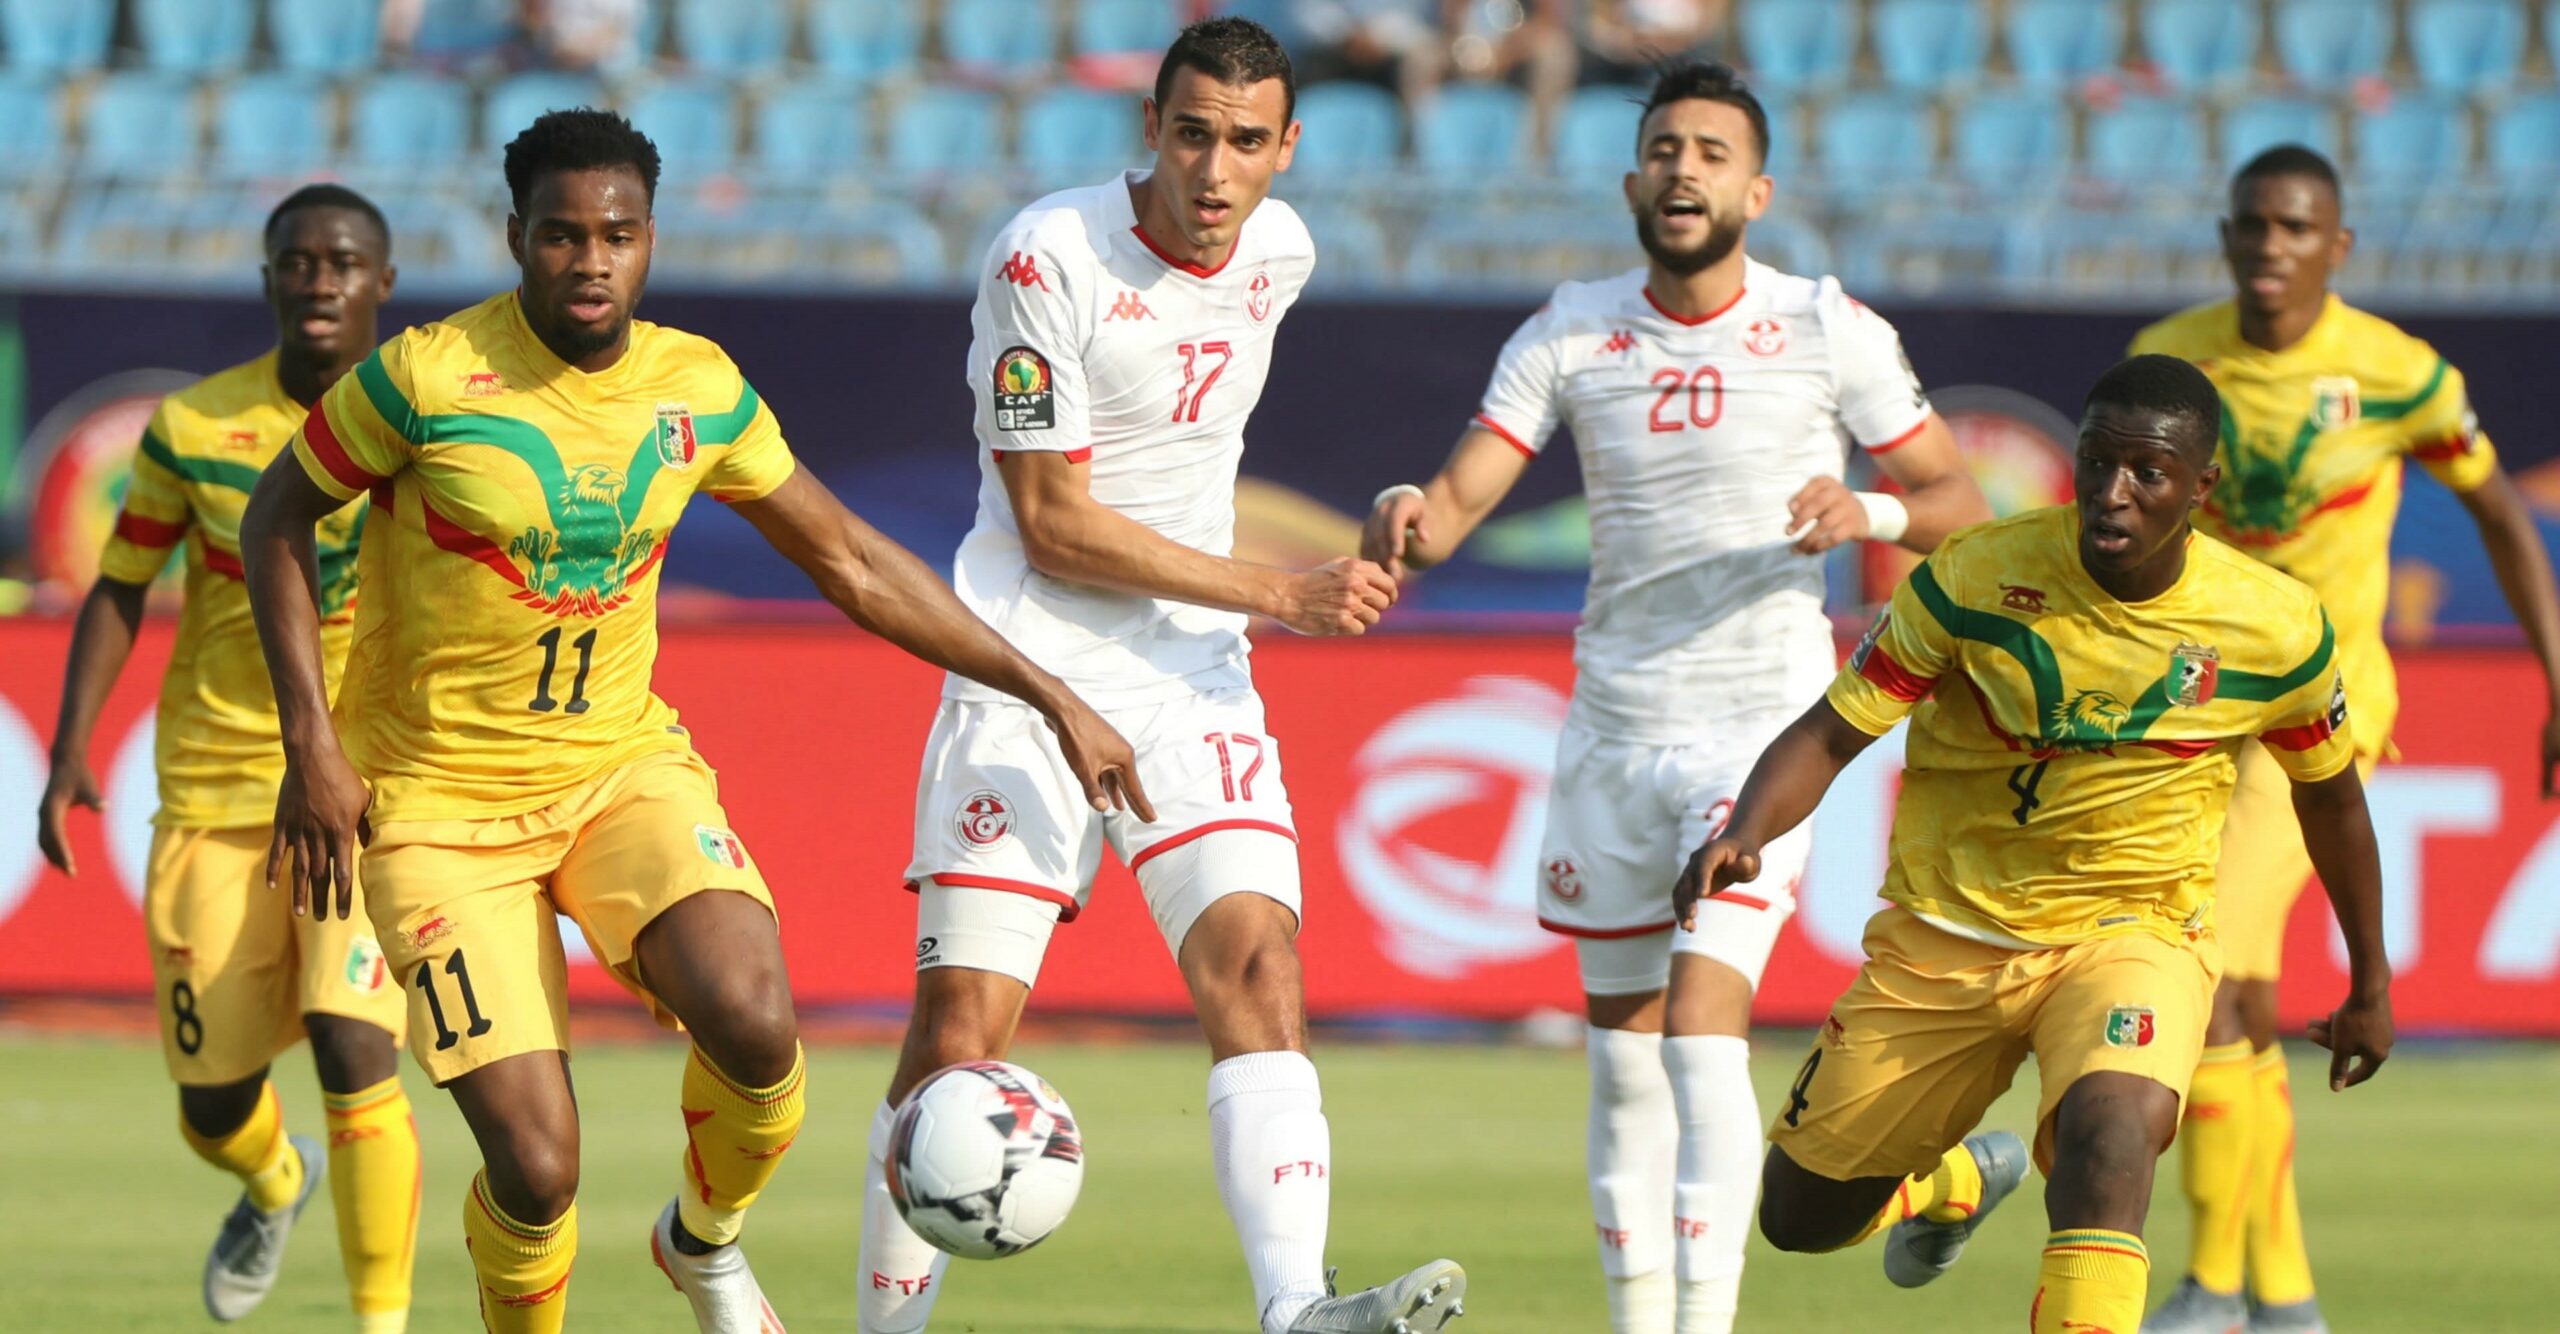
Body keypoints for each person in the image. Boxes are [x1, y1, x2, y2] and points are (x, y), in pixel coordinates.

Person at [238, 109, 1143, 1334]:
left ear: (651, 238)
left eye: (616, 234)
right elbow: (274, 518)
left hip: (619, 772)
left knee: (758, 1025)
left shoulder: (697, 386)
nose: (590, 260)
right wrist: (312, 744)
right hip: (437, 809)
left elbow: (851, 560)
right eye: (561, 235)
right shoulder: (425, 377)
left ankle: (703, 1239)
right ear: (516, 238)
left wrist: (1051, 691)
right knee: (537, 1166)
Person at [1361, 59, 1987, 1334]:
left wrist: (1865, 511)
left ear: (1756, 191)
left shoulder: (1823, 325)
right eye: (1663, 150)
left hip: (1760, 729)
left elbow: (1961, 503)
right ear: (1630, 181)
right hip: (1612, 729)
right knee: (1622, 1056)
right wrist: (1401, 513)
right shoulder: (1569, 330)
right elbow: (1454, 505)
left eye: (1710, 152)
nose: (1683, 169)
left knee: (1703, 1018)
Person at [858, 19, 1465, 1334]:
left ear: (1287, 147)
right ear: (1151, 129)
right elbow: (1051, 523)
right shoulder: (1047, 256)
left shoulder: (1282, 252)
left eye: (1245, 141)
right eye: (1191, 134)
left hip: (1190, 672)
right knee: (959, 1039)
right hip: (1028, 666)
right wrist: (1282, 592)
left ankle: (1295, 1306)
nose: (1214, 168)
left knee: (1258, 962)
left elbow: (1190, 449)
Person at [1677, 354, 2396, 1334]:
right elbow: (1832, 730)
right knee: (1801, 1218)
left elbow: (2333, 803)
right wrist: (1745, 831)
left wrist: (2369, 981)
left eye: (2147, 472)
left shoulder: (2272, 626)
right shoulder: (1973, 576)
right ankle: (1952, 1182)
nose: (2112, 492)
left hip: (2135, 934)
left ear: (2201, 486)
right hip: (1947, 936)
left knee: (2113, 1139)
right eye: (2097, 462)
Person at [2131, 145, 2560, 1334]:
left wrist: (2555, 670)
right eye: (2252, 225)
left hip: (2315, 719)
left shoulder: (2396, 374)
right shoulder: (2171, 358)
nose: (2270, 245)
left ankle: (2212, 1288)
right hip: (2188, 713)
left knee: (2203, 970)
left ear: (2337, 246)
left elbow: (2498, 511)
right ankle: (2284, 1299)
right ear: (2225, 237)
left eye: (2294, 226)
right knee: (2243, 992)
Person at [36, 184, 419, 1334]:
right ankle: (272, 1175)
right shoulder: (196, 426)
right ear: (268, 280)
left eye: (342, 262)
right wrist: (69, 745)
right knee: (212, 1105)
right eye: (297, 261)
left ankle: (381, 1319)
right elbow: (120, 582)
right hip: (214, 790)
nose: (319, 280)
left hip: (361, 790)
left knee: (358, 1046)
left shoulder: (426, 420)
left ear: (382, 284)